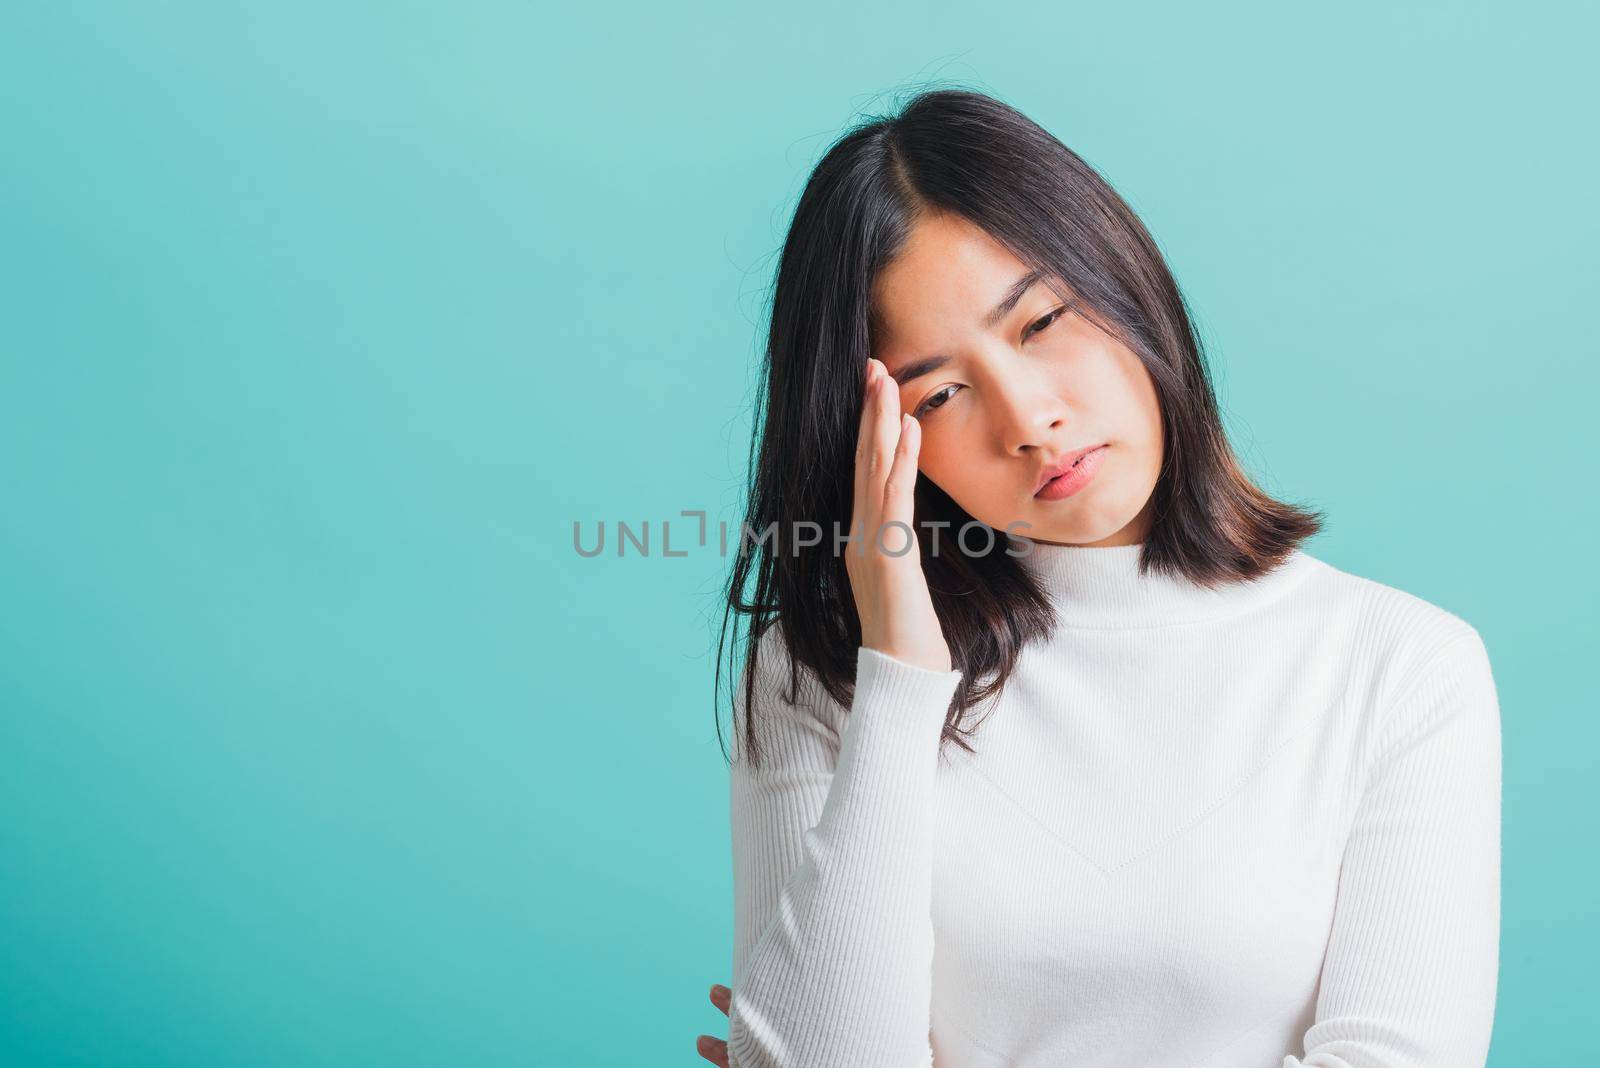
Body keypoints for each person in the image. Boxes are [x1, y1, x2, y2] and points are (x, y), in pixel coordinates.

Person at [694, 88, 1501, 1068]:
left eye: (1041, 323)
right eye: (940, 392)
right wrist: (900, 682)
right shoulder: (820, 672)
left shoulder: (1398, 667)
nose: (1029, 418)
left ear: (1126, 284)